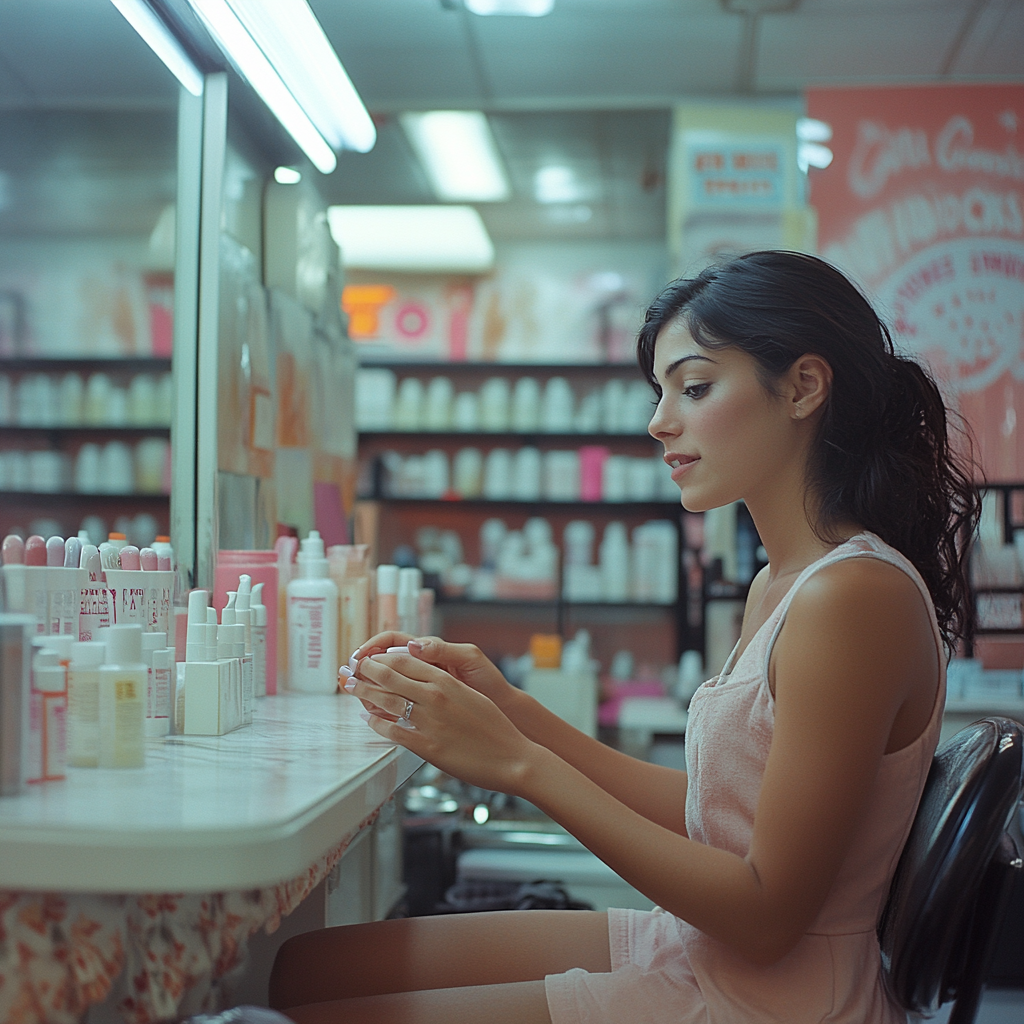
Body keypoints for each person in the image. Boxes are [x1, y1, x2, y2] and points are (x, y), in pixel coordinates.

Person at [269, 251, 980, 1024]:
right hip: (702, 950)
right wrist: (512, 709)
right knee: (303, 971)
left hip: (770, 998)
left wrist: (519, 764)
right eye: (661, 392)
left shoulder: (854, 597)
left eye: (696, 387)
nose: (659, 421)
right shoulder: (786, 584)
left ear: (805, 387)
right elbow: (717, 812)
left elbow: (766, 916)